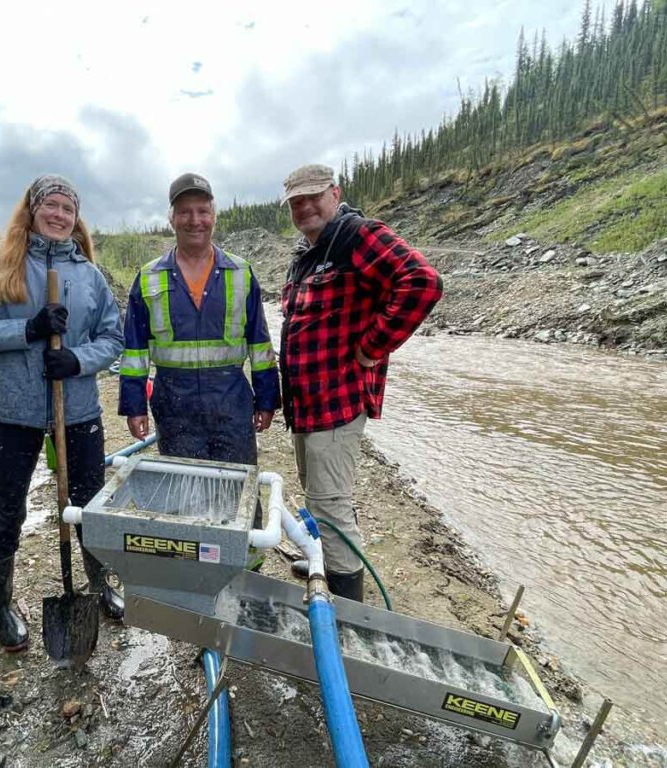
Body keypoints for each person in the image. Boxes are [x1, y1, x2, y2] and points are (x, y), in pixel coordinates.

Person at [0, 174, 125, 652]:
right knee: (7, 512)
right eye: (52, 206)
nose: (61, 215)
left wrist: (78, 360)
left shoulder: (88, 274)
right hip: (12, 413)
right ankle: (2, 607)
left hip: (78, 410)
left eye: (69, 208)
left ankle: (99, 583)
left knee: (90, 506)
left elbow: (113, 338)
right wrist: (27, 329)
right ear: (32, 209)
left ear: (76, 217)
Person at [279, 164, 443, 602]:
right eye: (297, 201)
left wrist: (373, 347)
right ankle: (328, 563)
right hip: (309, 406)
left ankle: (347, 603)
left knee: (329, 503)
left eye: (314, 196)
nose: (305, 207)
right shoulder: (311, 251)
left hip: (336, 402)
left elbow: (422, 283)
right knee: (320, 496)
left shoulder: (358, 235)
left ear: (335, 193)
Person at [118, 173, 280, 494]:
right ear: (171, 218)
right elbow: (134, 351)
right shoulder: (148, 277)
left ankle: (243, 546)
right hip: (174, 404)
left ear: (214, 216)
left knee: (238, 492)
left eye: (203, 211)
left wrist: (267, 398)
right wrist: (134, 405)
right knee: (186, 493)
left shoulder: (241, 272)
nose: (195, 220)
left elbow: (260, 344)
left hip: (231, 401)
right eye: (185, 212)